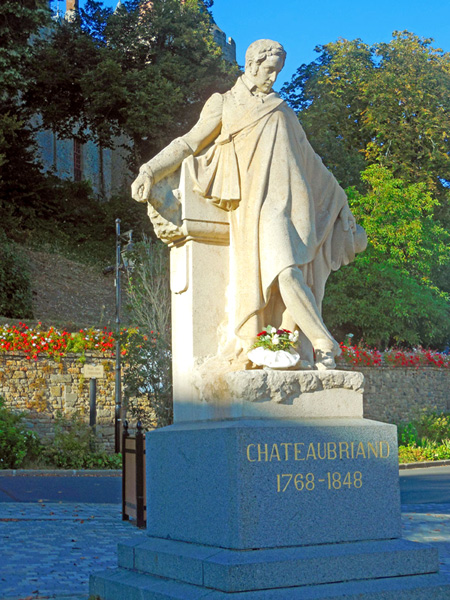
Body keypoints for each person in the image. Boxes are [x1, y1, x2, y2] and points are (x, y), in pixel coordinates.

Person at [132, 39, 366, 370]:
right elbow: (189, 142)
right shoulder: (225, 103)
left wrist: (341, 202)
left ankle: (289, 344)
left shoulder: (283, 109)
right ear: (251, 65)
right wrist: (149, 170)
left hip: (296, 205)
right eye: (269, 71)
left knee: (294, 277)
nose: (272, 79)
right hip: (259, 206)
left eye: (277, 72)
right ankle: (323, 341)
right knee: (284, 273)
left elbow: (311, 161)